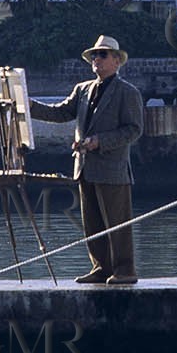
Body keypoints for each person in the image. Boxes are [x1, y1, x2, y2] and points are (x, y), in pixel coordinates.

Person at [29, 35, 145, 284]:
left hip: (112, 169)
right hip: (85, 167)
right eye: (94, 55)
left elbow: (133, 130)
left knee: (117, 222)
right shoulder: (82, 89)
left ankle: (125, 270)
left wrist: (99, 141)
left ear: (116, 61)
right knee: (92, 222)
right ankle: (101, 268)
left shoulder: (128, 92)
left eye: (102, 55)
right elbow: (61, 112)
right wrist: (29, 107)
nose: (96, 59)